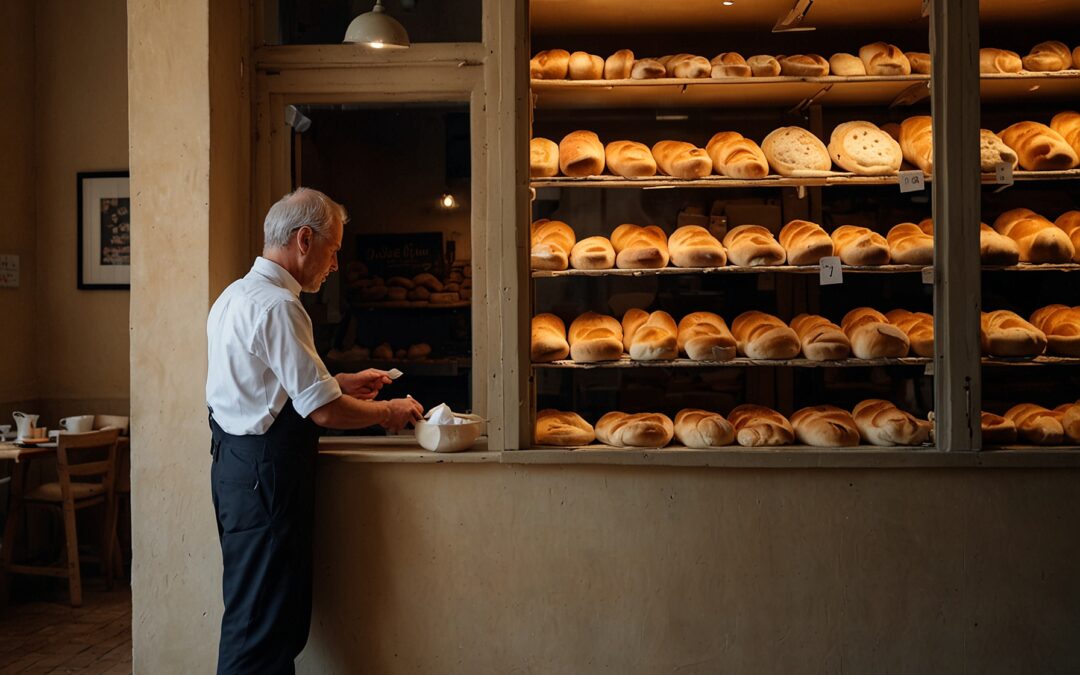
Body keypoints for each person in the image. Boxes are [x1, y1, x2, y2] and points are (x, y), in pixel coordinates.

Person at [205, 187, 424, 674]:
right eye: (334, 249)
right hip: (266, 484)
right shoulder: (280, 307)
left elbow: (266, 388)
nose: (337, 264)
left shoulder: (233, 296)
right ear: (304, 240)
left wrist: (336, 381)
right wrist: (387, 413)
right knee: (262, 635)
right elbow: (324, 413)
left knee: (256, 620)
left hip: (236, 474)